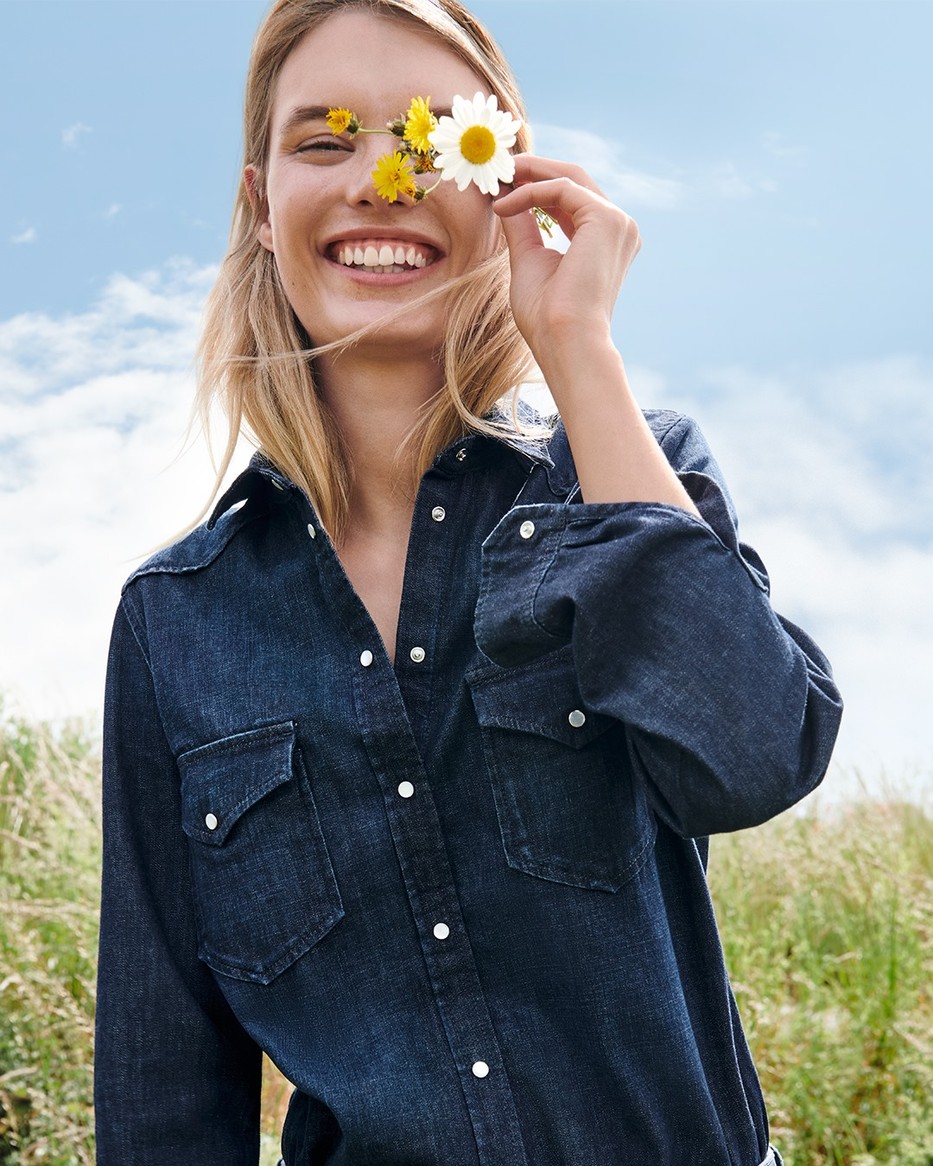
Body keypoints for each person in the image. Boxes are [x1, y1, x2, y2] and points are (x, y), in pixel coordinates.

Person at [94, 0, 843, 1162]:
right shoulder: (175, 622)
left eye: (433, 139)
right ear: (259, 204)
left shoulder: (626, 477)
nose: (379, 182)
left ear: (505, 182)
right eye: (325, 139)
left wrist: (577, 341)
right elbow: (161, 1093)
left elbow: (758, 754)